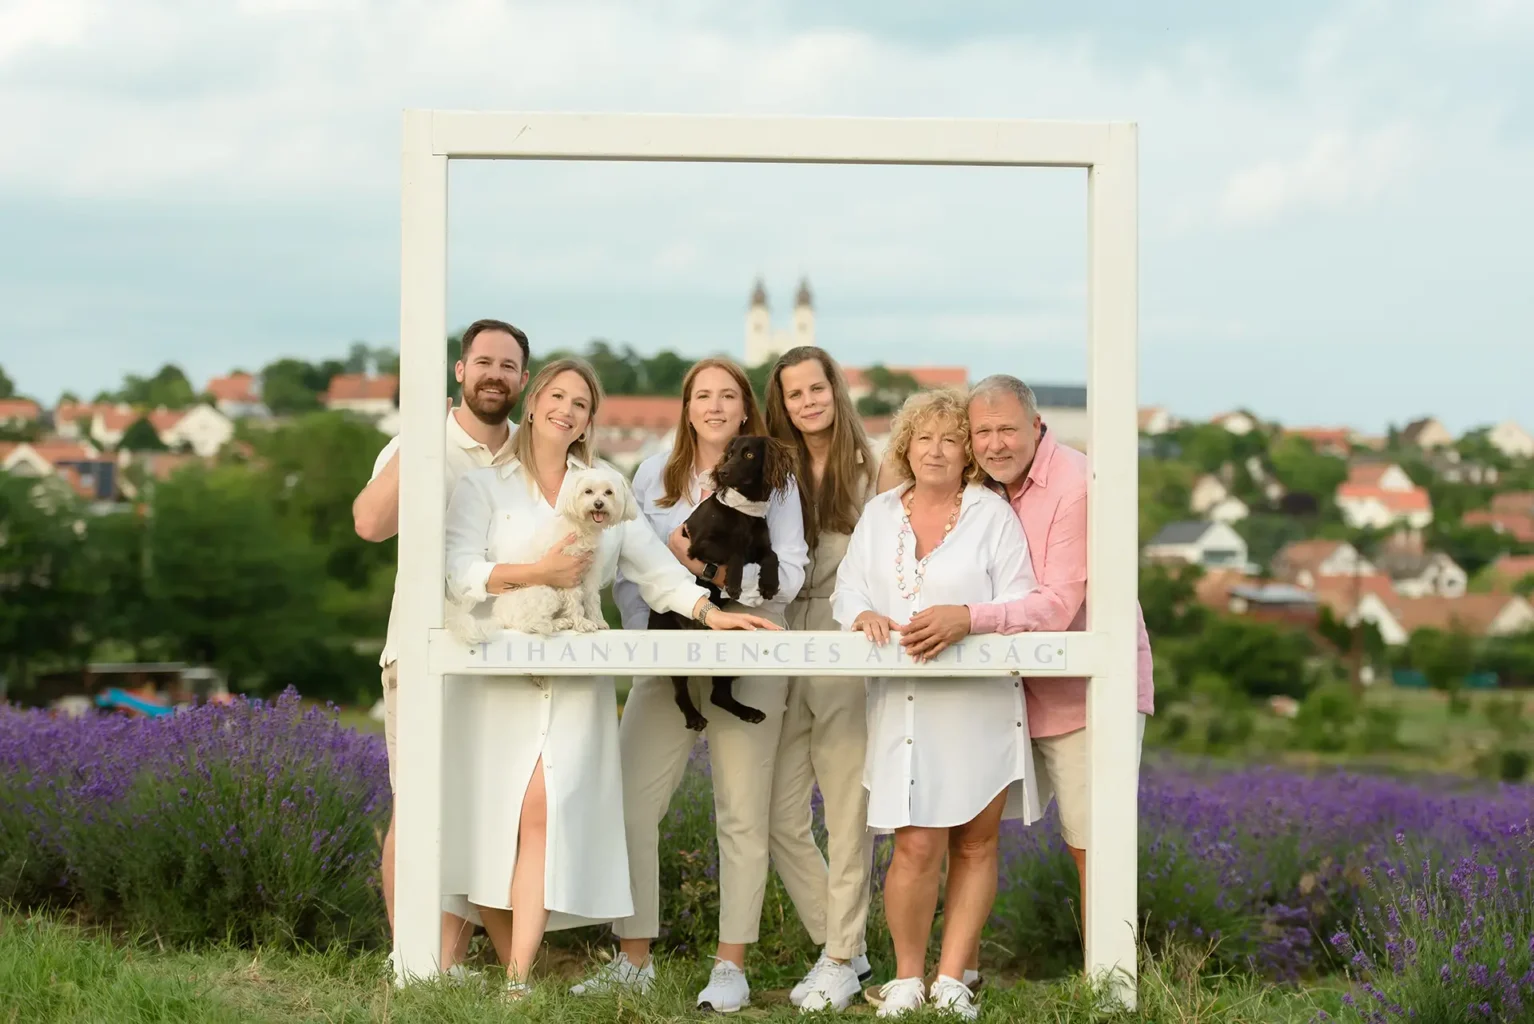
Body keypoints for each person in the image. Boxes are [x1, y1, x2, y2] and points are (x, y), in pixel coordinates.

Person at [442, 358, 779, 996]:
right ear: (535, 400)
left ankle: (516, 980)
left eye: (582, 404)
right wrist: (535, 573)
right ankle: (508, 960)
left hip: (574, 678)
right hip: (496, 677)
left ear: (589, 420)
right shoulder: (485, 485)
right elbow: (459, 570)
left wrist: (711, 612)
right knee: (496, 820)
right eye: (558, 397)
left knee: (543, 812)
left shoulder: (603, 484)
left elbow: (656, 570)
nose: (568, 411)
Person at [571, 357, 809, 1013]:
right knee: (630, 801)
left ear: (745, 407)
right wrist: (652, 631)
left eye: (726, 394)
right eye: (701, 394)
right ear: (686, 404)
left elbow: (788, 574)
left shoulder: (775, 479)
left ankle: (730, 966)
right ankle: (633, 956)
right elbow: (631, 569)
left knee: (741, 812)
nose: (713, 405)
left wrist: (710, 574)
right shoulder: (653, 473)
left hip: (751, 648)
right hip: (668, 649)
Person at [896, 374, 1155, 948]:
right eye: (982, 432)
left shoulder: (1075, 485)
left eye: (1007, 429)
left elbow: (1061, 605)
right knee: (965, 830)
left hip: (1085, 696)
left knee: (1094, 844)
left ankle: (1109, 986)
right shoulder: (977, 490)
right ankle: (958, 970)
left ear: (1037, 428)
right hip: (1006, 693)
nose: (995, 444)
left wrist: (967, 616)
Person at [834, 387, 1041, 1021]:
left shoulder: (991, 516)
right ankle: (906, 978)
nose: (936, 450)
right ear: (905, 445)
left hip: (979, 706)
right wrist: (864, 613)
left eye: (952, 439)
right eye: (924, 438)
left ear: (967, 455)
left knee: (975, 845)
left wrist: (965, 622)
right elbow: (847, 592)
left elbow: (1021, 601)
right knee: (916, 843)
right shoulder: (878, 517)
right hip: (904, 705)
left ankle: (953, 980)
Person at [351, 317, 529, 974]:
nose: (493, 374)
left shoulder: (529, 454)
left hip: (506, 657)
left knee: (492, 813)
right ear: (460, 371)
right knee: (418, 805)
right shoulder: (419, 443)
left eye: (507, 366)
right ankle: (411, 964)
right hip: (422, 650)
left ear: (522, 380)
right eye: (483, 362)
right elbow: (370, 523)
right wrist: (423, 439)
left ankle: (448, 962)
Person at [761, 346, 877, 1012]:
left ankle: (837, 956)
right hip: (777, 641)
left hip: (843, 644)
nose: (808, 401)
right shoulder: (773, 468)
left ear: (835, 389)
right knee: (779, 816)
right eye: (794, 393)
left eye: (817, 388)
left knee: (845, 812)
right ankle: (847, 946)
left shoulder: (874, 469)